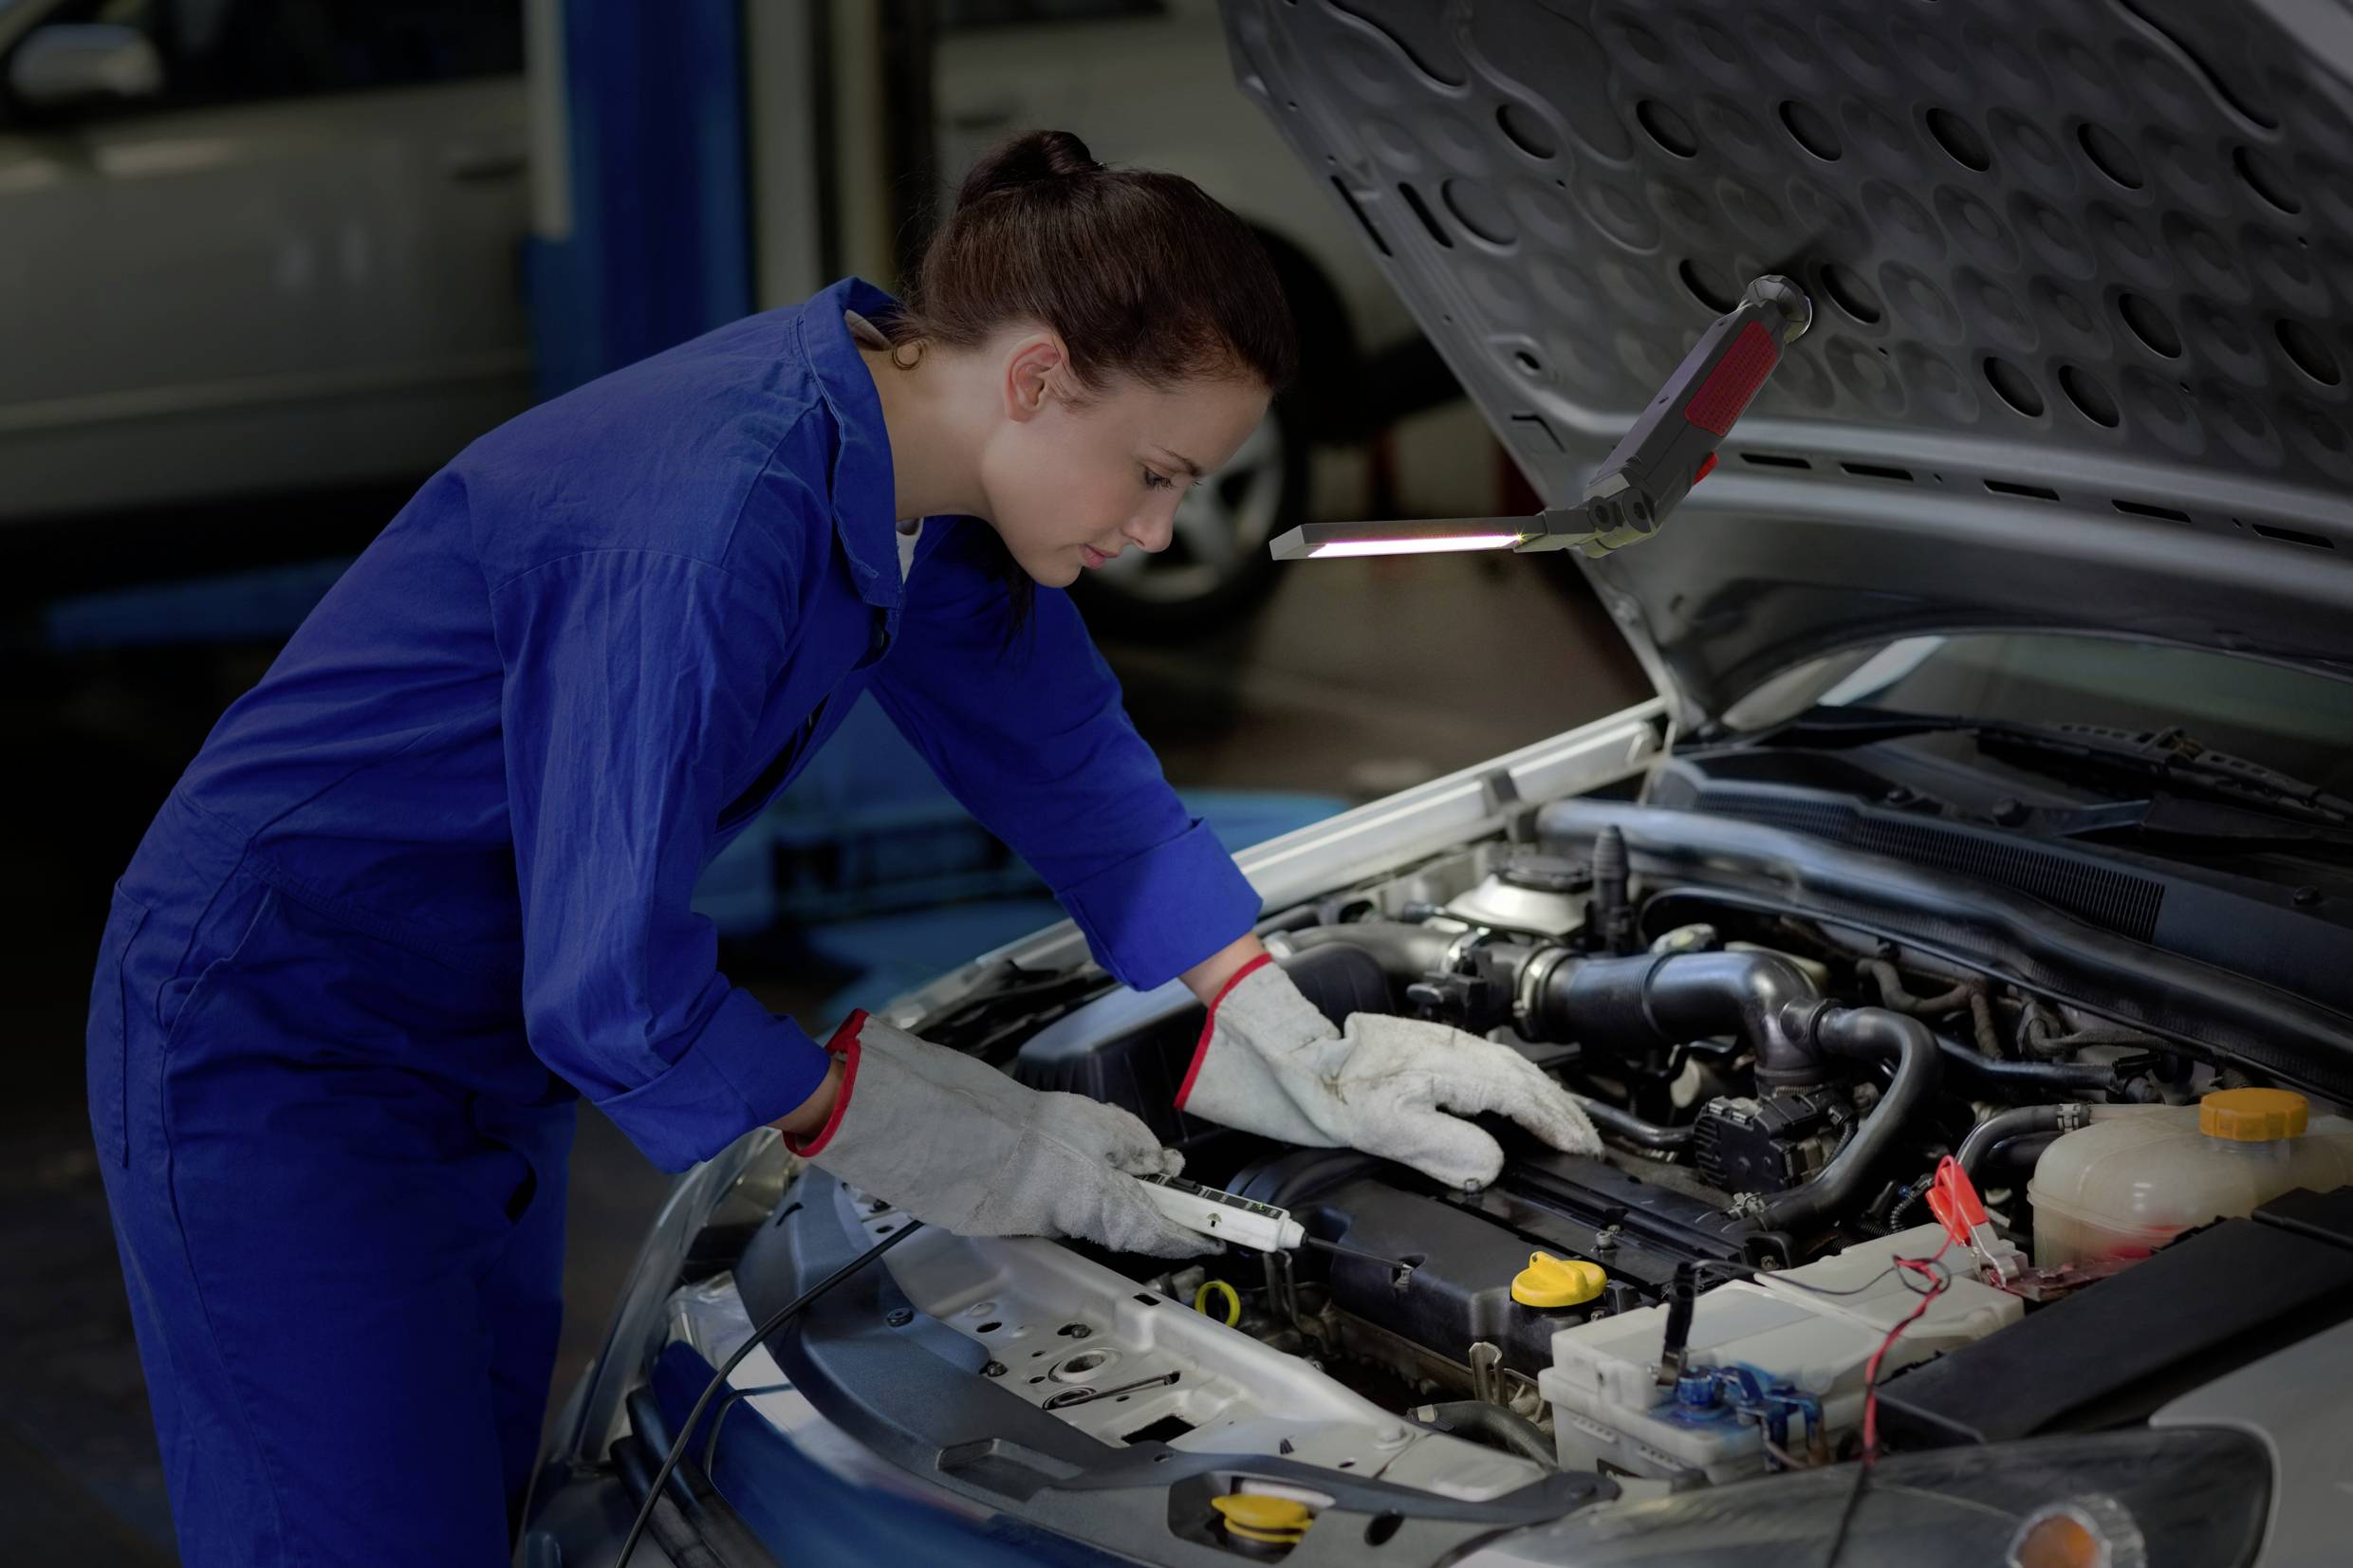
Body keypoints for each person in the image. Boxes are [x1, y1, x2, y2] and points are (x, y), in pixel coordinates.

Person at [84, 130, 1600, 1567]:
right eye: (1156, 472)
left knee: (462, 1510)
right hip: (280, 1034)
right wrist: (935, 1132)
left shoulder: (907, 472)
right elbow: (610, 992)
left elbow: (1068, 759)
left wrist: (1276, 1018)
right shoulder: (716, 517)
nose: (1158, 530)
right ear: (1038, 377)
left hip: (470, 1035)